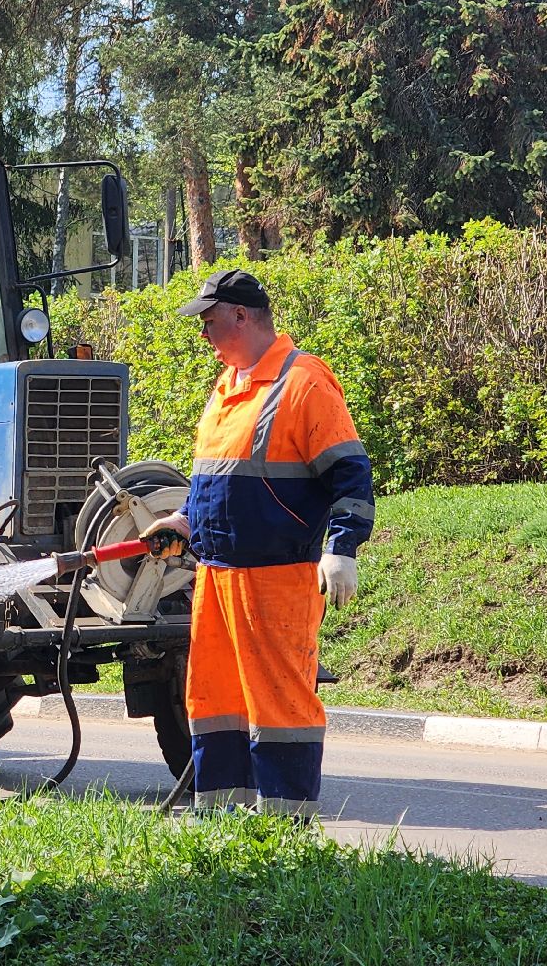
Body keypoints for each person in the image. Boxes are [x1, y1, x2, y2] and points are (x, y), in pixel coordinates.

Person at [142, 270, 374, 819]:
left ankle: (284, 827)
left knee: (280, 704)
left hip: (278, 578)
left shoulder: (304, 383)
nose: (202, 332)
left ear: (241, 316)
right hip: (218, 578)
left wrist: (342, 547)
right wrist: (182, 520)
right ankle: (224, 822)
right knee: (214, 699)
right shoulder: (227, 388)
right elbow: (213, 481)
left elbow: (351, 478)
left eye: (209, 319)